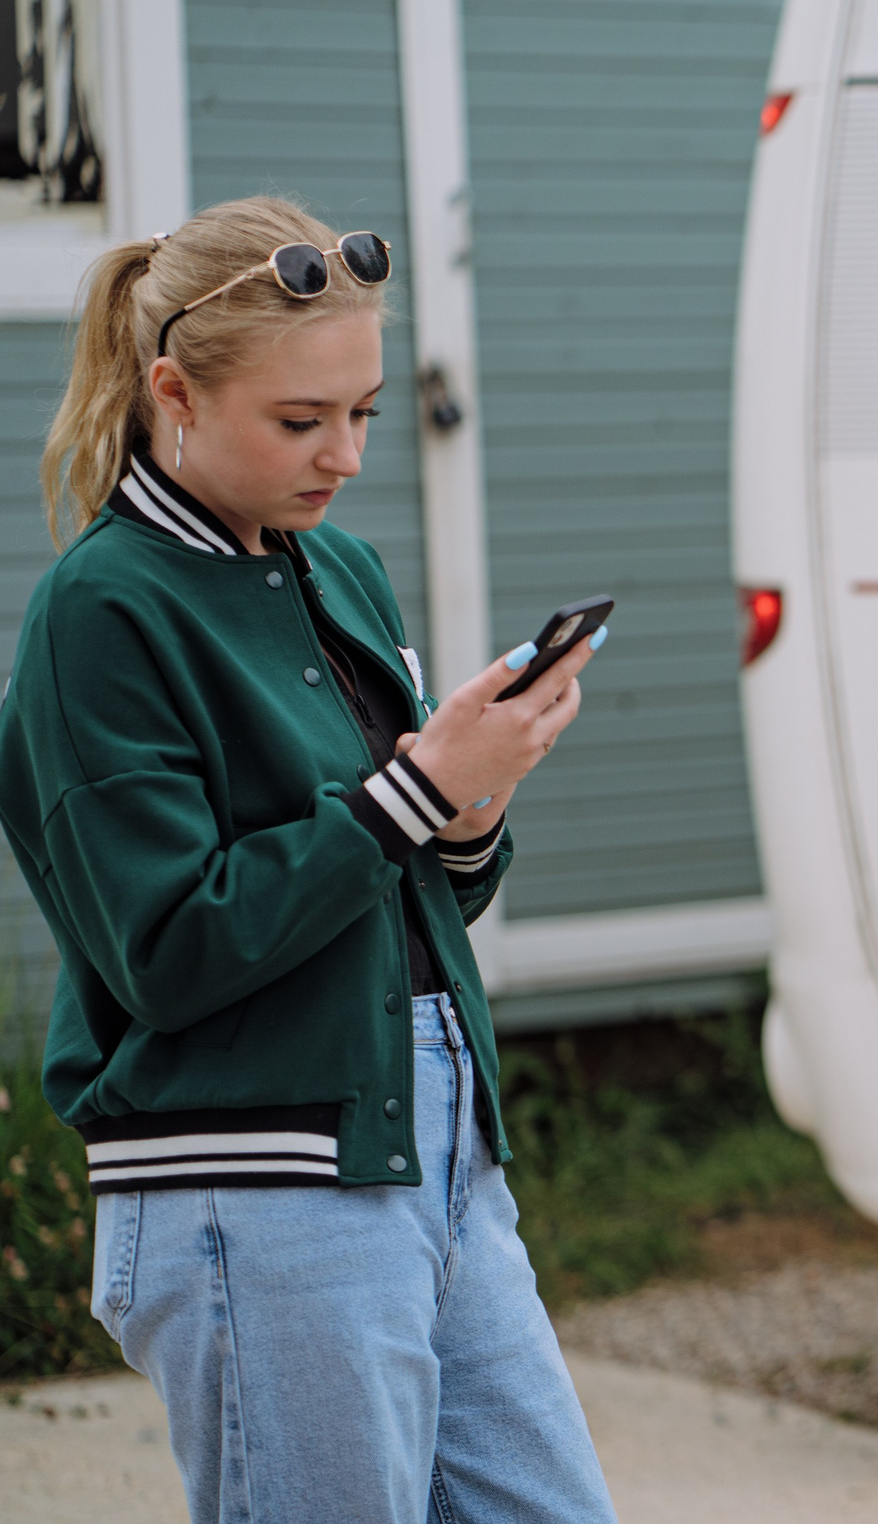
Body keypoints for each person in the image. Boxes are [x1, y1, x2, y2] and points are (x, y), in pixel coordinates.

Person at [0, 198, 617, 1523]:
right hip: (257, 1184)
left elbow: (400, 887)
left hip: (436, 1152)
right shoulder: (101, 614)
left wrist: (467, 817)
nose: (343, 455)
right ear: (171, 390)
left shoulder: (340, 570)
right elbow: (166, 950)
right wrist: (413, 793)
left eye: (365, 413)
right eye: (300, 422)